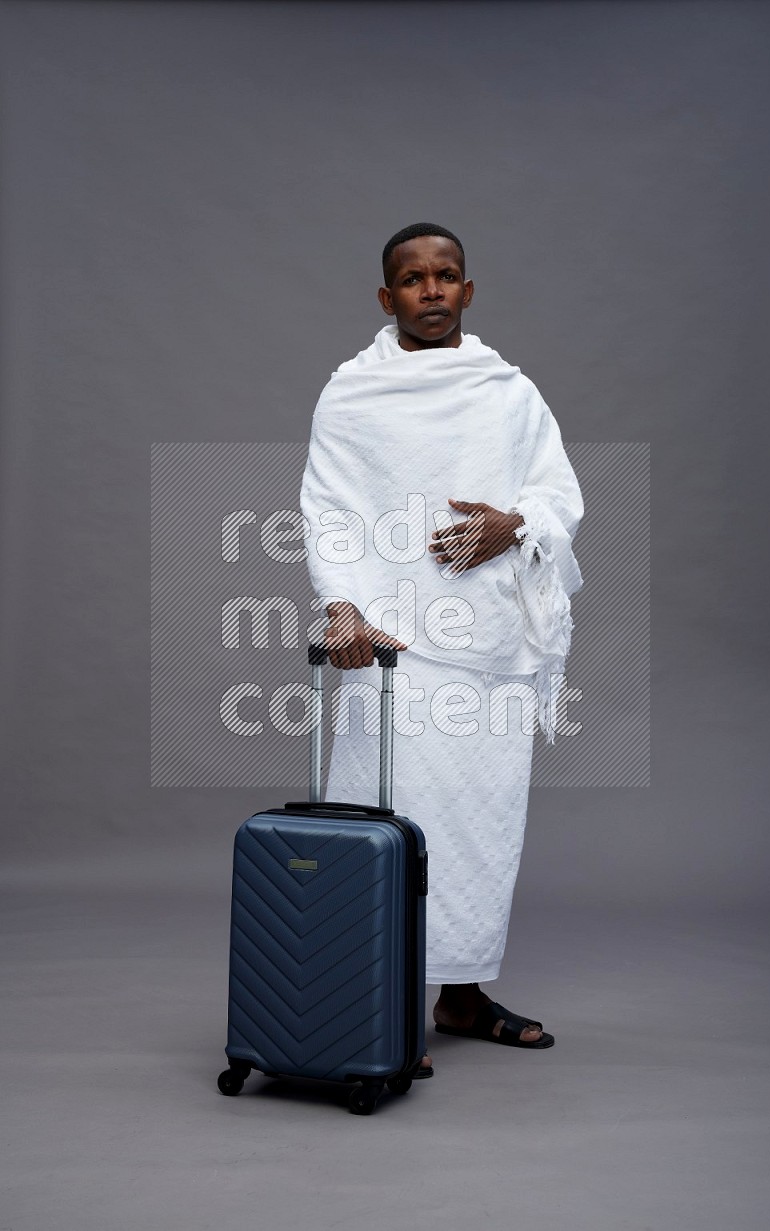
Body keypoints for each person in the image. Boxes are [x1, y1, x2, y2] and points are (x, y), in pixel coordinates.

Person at [300, 223, 583, 1075]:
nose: (431, 290)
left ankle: (458, 996)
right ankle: (379, 1001)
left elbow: (557, 491)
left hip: (487, 642)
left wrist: (515, 523)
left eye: (447, 276)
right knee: (384, 815)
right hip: (389, 643)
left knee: (479, 823)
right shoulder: (350, 396)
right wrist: (342, 608)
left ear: (468, 290)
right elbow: (329, 507)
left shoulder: (509, 393)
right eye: (413, 279)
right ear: (387, 299)